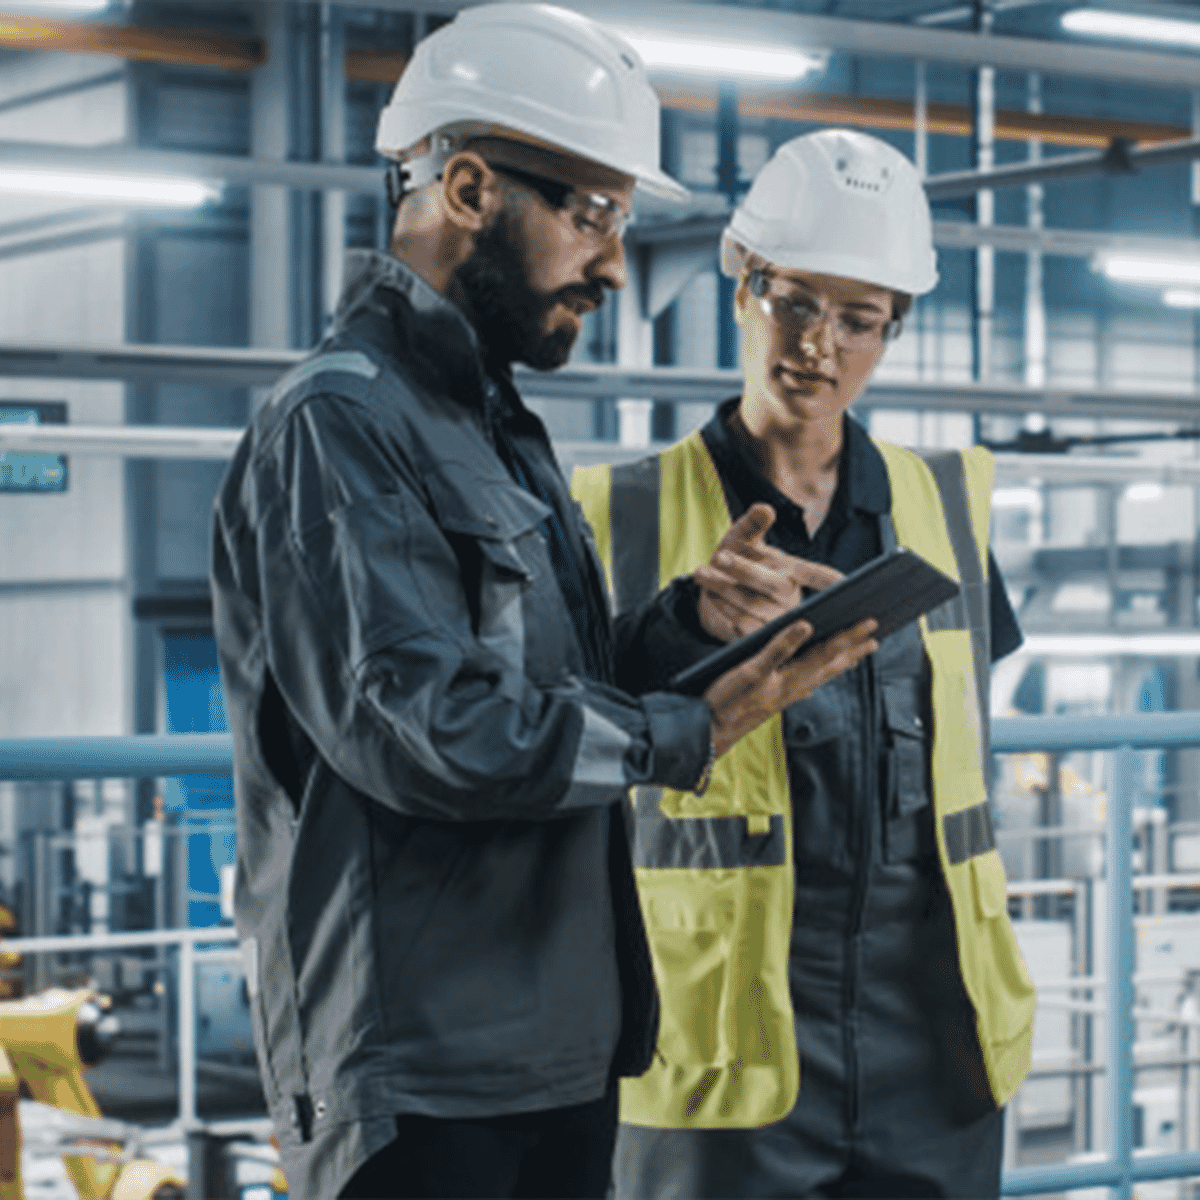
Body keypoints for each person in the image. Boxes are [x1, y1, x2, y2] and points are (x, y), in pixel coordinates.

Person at [209, 12, 877, 1199]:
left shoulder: (494, 427)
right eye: (594, 215)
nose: (616, 266)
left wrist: (688, 629)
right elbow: (430, 729)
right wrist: (691, 730)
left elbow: (547, 689)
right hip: (420, 1070)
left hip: (557, 1043)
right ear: (470, 188)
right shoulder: (338, 424)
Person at [573, 129, 1038, 1199]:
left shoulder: (948, 506)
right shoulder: (617, 514)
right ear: (743, 286)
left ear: (892, 328)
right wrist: (682, 631)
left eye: (858, 318)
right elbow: (560, 742)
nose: (818, 345)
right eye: (794, 302)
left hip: (937, 1041)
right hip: (720, 1048)